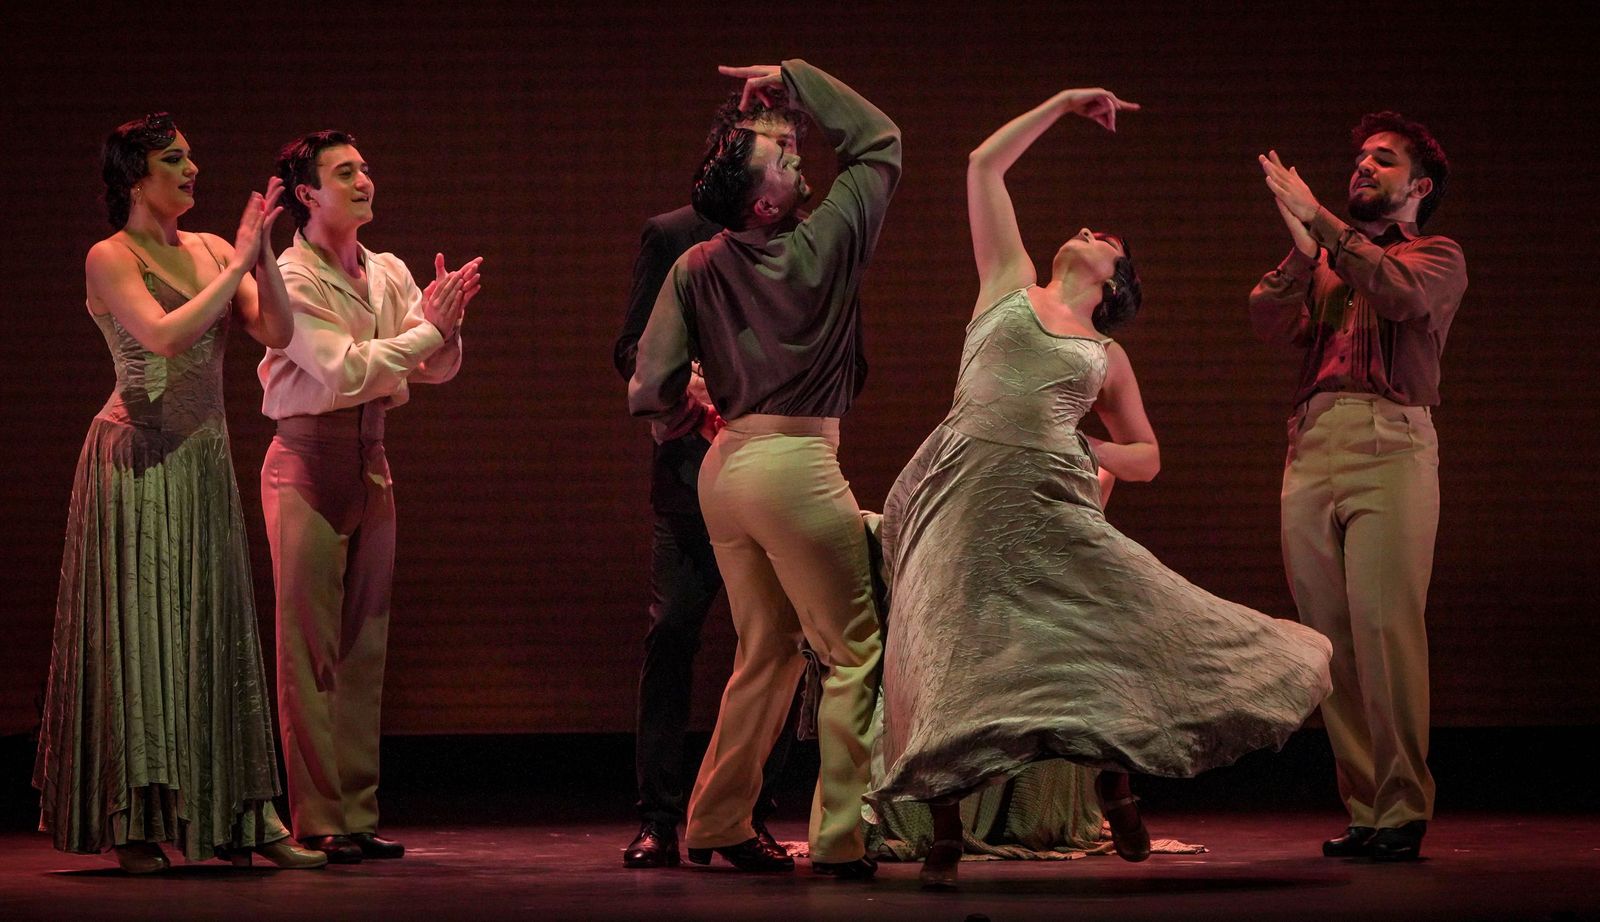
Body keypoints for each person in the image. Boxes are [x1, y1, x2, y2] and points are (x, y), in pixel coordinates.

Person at [867, 89, 1333, 890]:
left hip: (1049, 507)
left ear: (1116, 280)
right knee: (942, 649)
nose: (1089, 232)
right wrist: (1061, 104)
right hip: (958, 493)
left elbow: (1146, 456)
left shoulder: (1105, 355)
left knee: (1109, 639)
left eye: (1107, 239)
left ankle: (1117, 781)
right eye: (1088, 229)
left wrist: (1079, 443)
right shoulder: (1007, 286)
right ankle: (943, 824)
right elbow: (984, 165)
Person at [32, 113, 326, 873]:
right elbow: (165, 338)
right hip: (135, 465)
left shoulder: (213, 247)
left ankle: (241, 818)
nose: (192, 169)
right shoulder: (111, 256)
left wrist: (258, 258)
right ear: (136, 176)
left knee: (213, 634)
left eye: (191, 156)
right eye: (174, 159)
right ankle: (135, 822)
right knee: (143, 637)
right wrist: (234, 270)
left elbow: (278, 333)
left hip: (200, 461)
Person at [629, 60, 900, 879]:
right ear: (766, 204)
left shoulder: (698, 263)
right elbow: (881, 142)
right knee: (854, 652)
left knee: (769, 647)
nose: (796, 161)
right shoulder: (820, 243)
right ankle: (844, 836)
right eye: (781, 162)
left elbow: (649, 385)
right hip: (794, 466)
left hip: (727, 469)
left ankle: (715, 819)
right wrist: (796, 76)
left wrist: (686, 411)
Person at [259, 130, 483, 864]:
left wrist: (442, 328)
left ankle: (355, 813)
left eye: (365, 168)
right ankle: (317, 816)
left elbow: (429, 367)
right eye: (344, 172)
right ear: (307, 195)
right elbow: (341, 371)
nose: (365, 180)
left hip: (371, 454)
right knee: (309, 648)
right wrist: (424, 334)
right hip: (308, 458)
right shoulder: (292, 276)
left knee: (365, 641)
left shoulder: (383, 269)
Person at [1251, 112, 1465, 862]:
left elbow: (1401, 296)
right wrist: (1301, 247)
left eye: (1383, 159)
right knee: (1330, 640)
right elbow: (1267, 319)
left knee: (1384, 626)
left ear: (1419, 185)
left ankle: (1405, 805)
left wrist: (1325, 224)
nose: (1363, 166)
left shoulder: (1436, 255)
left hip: (1390, 443)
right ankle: (1370, 805)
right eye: (1360, 158)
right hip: (1311, 443)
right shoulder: (1327, 262)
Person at [613, 97, 808, 869]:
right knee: (674, 631)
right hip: (693, 464)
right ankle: (659, 815)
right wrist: (684, 387)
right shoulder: (676, 238)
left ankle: (749, 812)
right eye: (777, 145)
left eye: (796, 147)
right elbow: (630, 345)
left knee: (778, 642)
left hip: (777, 462)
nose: (792, 159)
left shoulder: (804, 241)